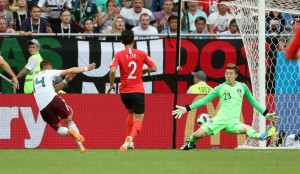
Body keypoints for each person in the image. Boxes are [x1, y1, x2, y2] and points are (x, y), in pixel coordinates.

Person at [172, 63, 279, 150]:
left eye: (230, 73)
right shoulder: (220, 88)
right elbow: (205, 100)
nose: (228, 75)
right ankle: (190, 144)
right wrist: (186, 109)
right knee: (196, 135)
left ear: (236, 75)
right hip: (220, 119)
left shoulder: (243, 87)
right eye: (226, 73)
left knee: (247, 128)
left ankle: (261, 136)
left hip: (233, 122)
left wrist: (266, 114)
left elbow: (253, 102)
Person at [107, 30, 157, 151]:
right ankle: (130, 138)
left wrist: (112, 84)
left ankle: (130, 143)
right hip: (137, 91)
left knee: (130, 113)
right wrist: (144, 71)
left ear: (121, 41)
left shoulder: (118, 54)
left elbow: (113, 70)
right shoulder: (141, 53)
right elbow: (154, 68)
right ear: (133, 40)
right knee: (138, 119)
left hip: (124, 93)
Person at [33, 60, 96, 152]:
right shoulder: (49, 72)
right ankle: (81, 146)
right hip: (53, 99)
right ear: (49, 68)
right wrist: (86, 68)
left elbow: (53, 88)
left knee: (57, 127)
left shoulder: (35, 78)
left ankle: (68, 131)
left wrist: (65, 80)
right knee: (69, 121)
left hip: (42, 107)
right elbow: (70, 70)